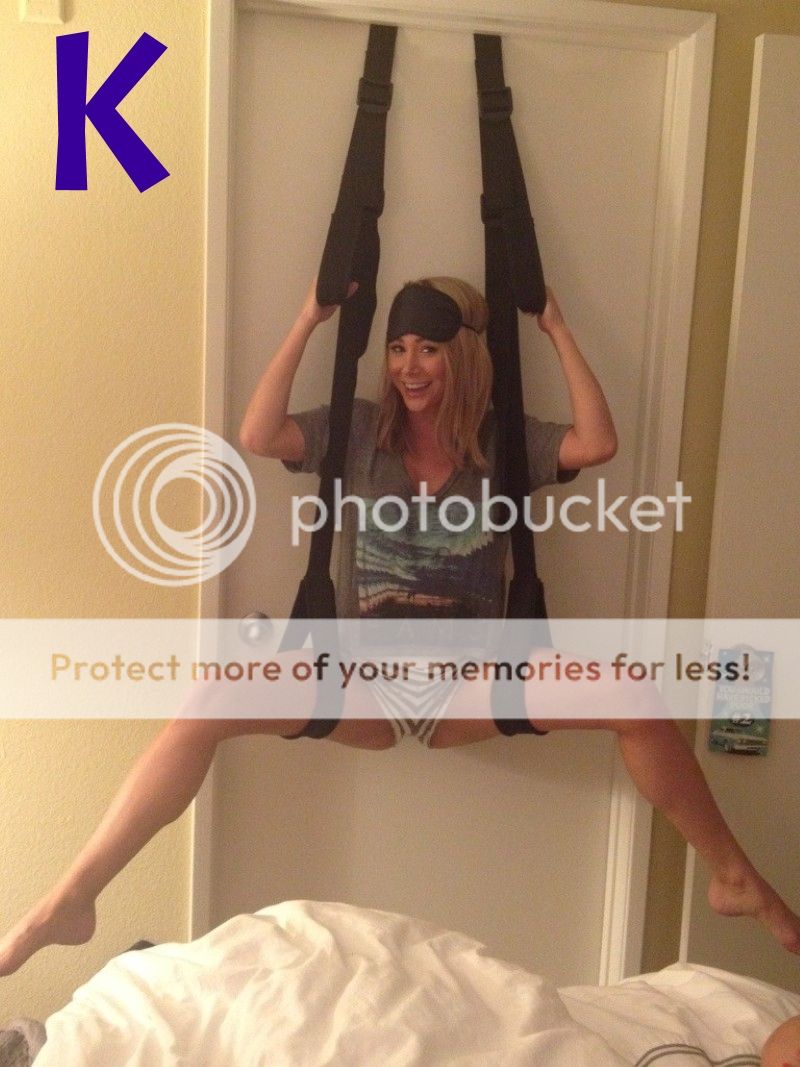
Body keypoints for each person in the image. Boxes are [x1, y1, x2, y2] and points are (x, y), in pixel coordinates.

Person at [1, 277, 798, 979]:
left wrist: (557, 327)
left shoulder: (503, 442)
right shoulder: (357, 431)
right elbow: (259, 435)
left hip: (472, 684)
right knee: (209, 697)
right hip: (364, 682)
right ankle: (71, 898)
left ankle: (732, 875)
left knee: (632, 692)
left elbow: (599, 442)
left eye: (429, 349)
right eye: (398, 349)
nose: (409, 367)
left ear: (465, 356)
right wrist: (309, 319)